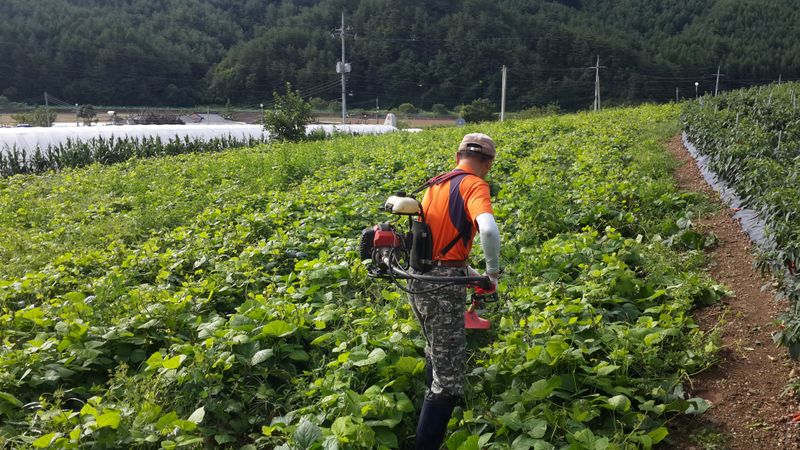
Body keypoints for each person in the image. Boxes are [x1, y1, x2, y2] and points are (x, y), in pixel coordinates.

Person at [408, 133, 501, 449]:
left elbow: (439, 248)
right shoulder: (474, 185)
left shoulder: (436, 185)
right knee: (448, 383)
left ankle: (425, 409)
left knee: (435, 350)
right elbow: (487, 228)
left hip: (417, 278)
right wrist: (492, 271)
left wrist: (474, 276)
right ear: (487, 163)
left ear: (458, 154)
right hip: (442, 289)